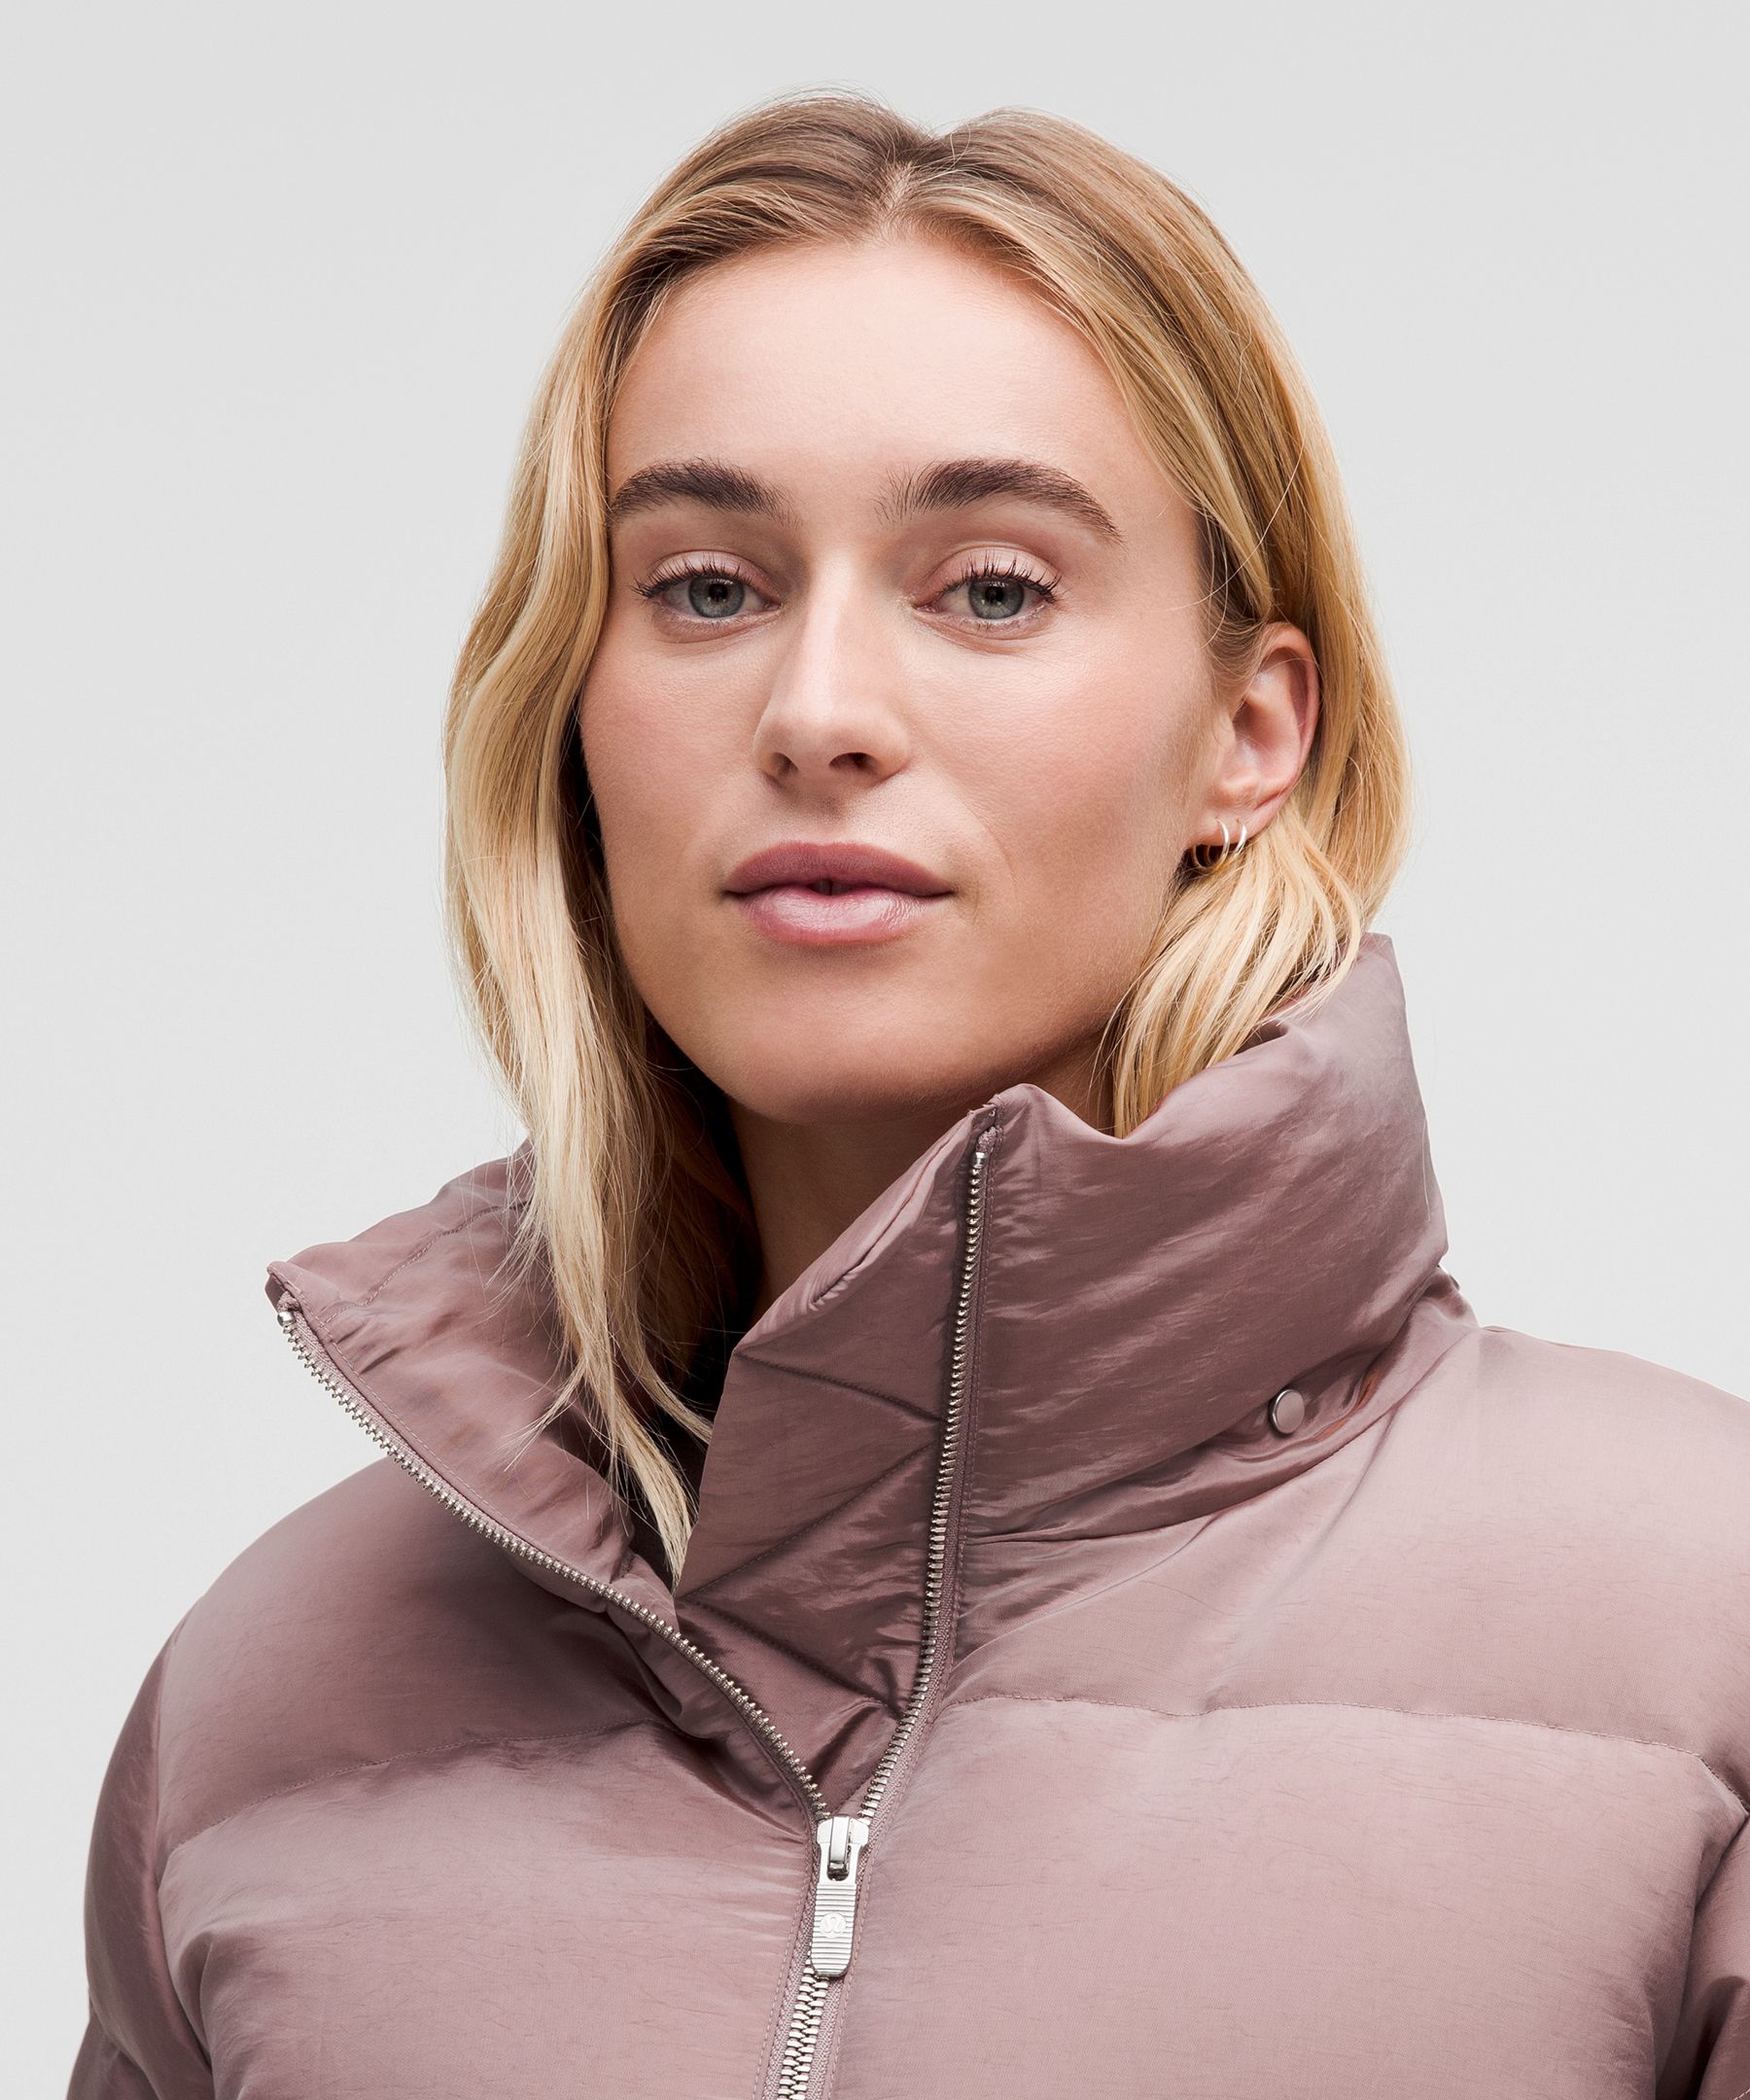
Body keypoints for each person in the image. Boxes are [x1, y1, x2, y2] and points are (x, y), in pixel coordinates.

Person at [70, 88, 1749, 2099]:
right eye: (707, 587)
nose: (820, 713)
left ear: (1250, 731)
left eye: (993, 588)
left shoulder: (1702, 1625)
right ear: (572, 711)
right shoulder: (262, 1713)